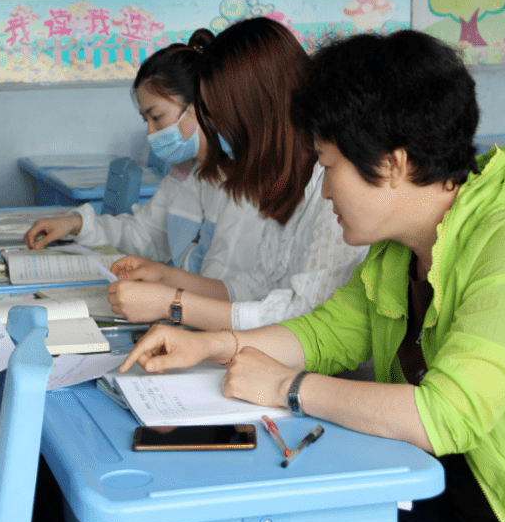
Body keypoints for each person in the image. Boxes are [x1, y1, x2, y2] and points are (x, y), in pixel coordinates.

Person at [121, 30, 505, 522]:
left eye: (329, 165)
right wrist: (215, 344)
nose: (324, 185)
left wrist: (289, 387)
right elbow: (328, 332)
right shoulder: (406, 245)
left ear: (392, 166)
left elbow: (446, 416)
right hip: (473, 506)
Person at [103, 18, 366, 330]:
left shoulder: (332, 189)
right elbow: (256, 287)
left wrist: (174, 304)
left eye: (218, 115)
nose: (213, 129)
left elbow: (305, 318)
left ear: (260, 111)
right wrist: (168, 280)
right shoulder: (285, 178)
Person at [23, 29, 272, 305]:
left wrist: (165, 297)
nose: (151, 133)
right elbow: (144, 234)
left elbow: (226, 293)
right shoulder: (185, 172)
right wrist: (76, 224)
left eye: (157, 117)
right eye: (146, 121)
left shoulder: (243, 186)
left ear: (200, 105)